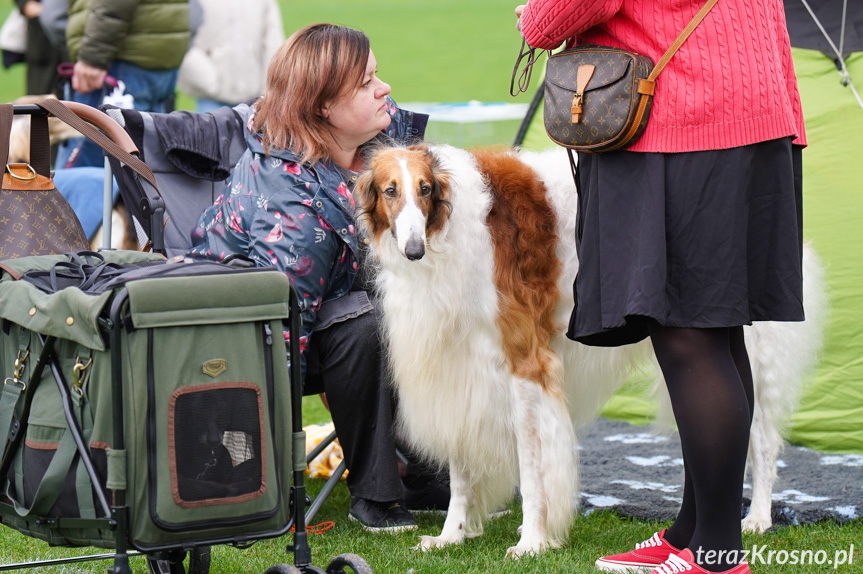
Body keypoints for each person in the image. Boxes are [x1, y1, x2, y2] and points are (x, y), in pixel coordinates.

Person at [516, 1, 805, 573]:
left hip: (679, 118)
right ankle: (695, 530)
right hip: (752, 104)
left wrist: (533, 14)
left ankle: (718, 555)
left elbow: (557, 16)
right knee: (715, 329)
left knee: (688, 336)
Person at [187, 23, 434, 532]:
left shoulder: (380, 153)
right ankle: (376, 495)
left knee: (417, 302)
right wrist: (262, 471)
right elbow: (280, 333)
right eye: (366, 84)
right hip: (250, 340)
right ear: (323, 107)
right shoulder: (290, 203)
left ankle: (430, 470)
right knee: (370, 322)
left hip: (335, 312)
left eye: (378, 76)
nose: (384, 88)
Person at [55, 0, 191, 168]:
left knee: (84, 174)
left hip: (119, 59)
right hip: (156, 56)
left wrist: (94, 57)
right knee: (141, 171)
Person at [178, 0, 284, 113]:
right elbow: (181, 33)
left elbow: (273, 40)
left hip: (254, 98)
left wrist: (269, 87)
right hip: (211, 96)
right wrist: (206, 78)